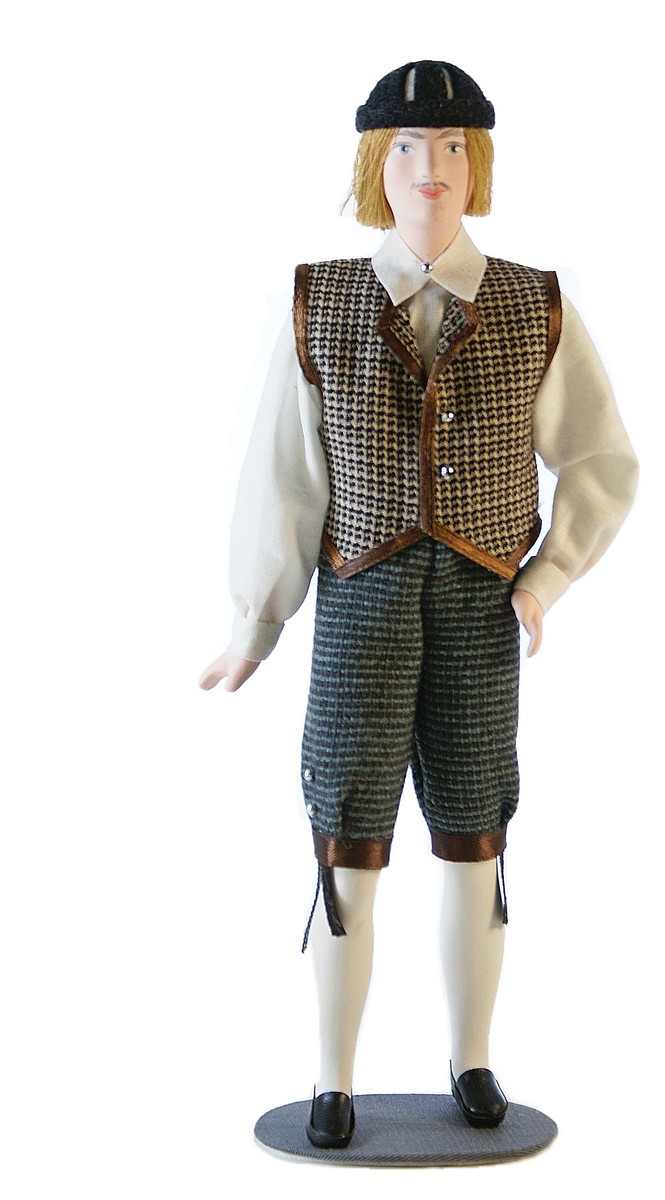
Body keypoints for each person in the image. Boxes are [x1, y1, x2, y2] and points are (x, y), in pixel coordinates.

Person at [200, 60, 638, 1150]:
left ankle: (473, 1060)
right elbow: (283, 476)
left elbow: (600, 460)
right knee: (347, 836)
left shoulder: (535, 305)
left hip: (485, 606)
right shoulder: (320, 302)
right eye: (405, 146)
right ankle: (332, 1078)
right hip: (362, 602)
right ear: (375, 163)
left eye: (449, 146)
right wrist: (256, 620)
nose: (429, 167)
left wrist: (547, 577)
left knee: (476, 835)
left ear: (475, 162)